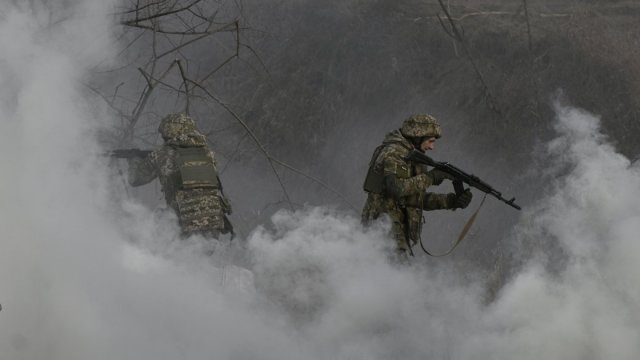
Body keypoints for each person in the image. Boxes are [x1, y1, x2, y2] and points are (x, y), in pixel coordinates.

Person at [361, 114, 472, 261]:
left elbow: (413, 199)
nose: (432, 147)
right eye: (430, 141)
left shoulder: (412, 155)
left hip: (397, 234)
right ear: (417, 136)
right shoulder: (394, 153)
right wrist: (431, 177)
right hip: (383, 233)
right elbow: (397, 189)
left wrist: (451, 201)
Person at [127, 113, 233, 238]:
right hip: (213, 219)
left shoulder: (162, 154)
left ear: (170, 131)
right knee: (202, 256)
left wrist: (134, 158)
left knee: (154, 236)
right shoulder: (208, 153)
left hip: (184, 220)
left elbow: (135, 179)